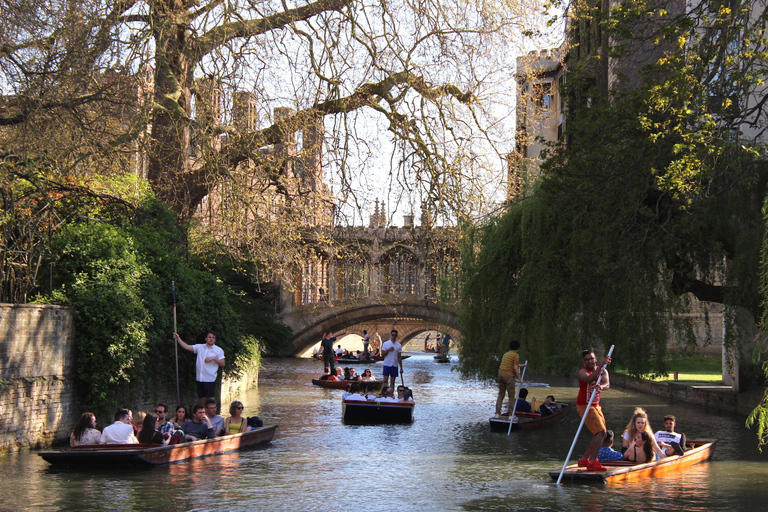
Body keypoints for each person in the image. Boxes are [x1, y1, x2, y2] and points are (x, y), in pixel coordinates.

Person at [576, 348, 611, 471]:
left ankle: (584, 459)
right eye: (587, 360)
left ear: (595, 358)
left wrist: (601, 386)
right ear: (584, 361)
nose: (590, 361)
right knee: (600, 432)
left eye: (591, 358)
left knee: (602, 433)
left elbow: (607, 384)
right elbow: (588, 379)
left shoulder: (603, 372)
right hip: (584, 405)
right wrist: (601, 366)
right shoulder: (582, 372)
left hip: (596, 405)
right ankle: (593, 461)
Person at [174, 331, 225, 405]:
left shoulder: (218, 350)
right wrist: (178, 339)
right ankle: (203, 415)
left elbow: (222, 363)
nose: (211, 339)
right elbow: (186, 347)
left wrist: (213, 359)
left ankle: (211, 415)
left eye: (213, 338)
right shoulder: (199, 347)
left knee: (210, 399)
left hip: (209, 378)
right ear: (206, 339)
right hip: (200, 378)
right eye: (209, 337)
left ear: (215, 339)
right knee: (203, 400)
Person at [495, 340, 524, 419]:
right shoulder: (515, 355)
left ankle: (497, 413)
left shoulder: (506, 354)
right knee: (511, 396)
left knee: (501, 395)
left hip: (500, 374)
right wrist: (520, 378)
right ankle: (511, 415)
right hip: (508, 376)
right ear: (518, 348)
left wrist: (520, 365)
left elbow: (511, 364)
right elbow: (515, 367)